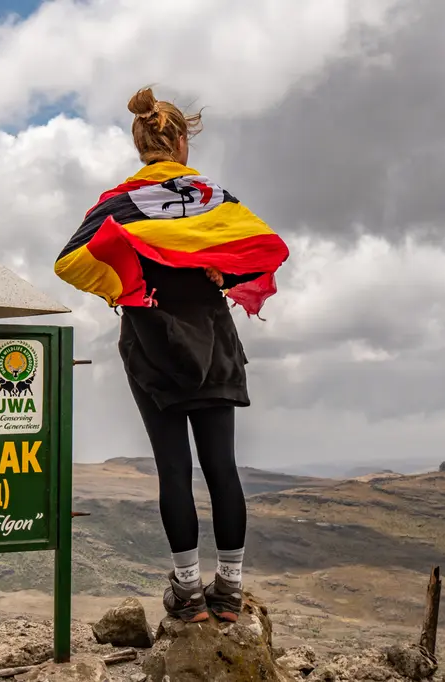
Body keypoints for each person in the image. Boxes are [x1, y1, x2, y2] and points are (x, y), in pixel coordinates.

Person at [53, 87, 289, 623]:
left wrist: (125, 285)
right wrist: (222, 273)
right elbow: (264, 249)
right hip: (213, 342)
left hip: (152, 340)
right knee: (222, 468)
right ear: (181, 139)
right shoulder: (216, 197)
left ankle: (187, 594)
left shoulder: (119, 203)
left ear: (140, 143)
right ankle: (229, 593)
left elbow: (69, 261)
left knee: (173, 471)